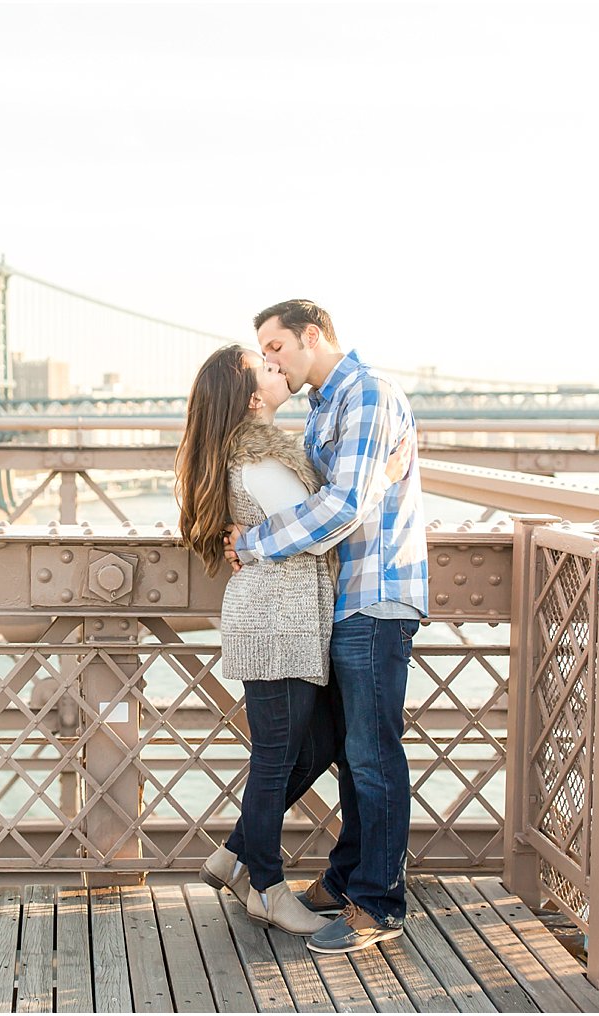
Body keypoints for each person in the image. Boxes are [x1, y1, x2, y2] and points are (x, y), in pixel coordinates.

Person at [178, 344, 408, 936]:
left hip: (291, 621)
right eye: (269, 368)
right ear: (254, 397)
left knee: (317, 744)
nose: (280, 371)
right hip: (277, 624)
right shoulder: (260, 463)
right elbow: (321, 531)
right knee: (278, 758)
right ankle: (266, 886)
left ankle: (233, 855)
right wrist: (379, 480)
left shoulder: (268, 455)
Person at [227, 299, 428, 955]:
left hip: (375, 595)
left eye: (275, 346)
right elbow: (328, 500)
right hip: (343, 600)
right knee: (351, 755)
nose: (270, 360)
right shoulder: (323, 410)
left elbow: (340, 508)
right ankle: (347, 880)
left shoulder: (367, 394)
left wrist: (255, 543)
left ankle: (378, 904)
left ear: (312, 336)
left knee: (373, 756)